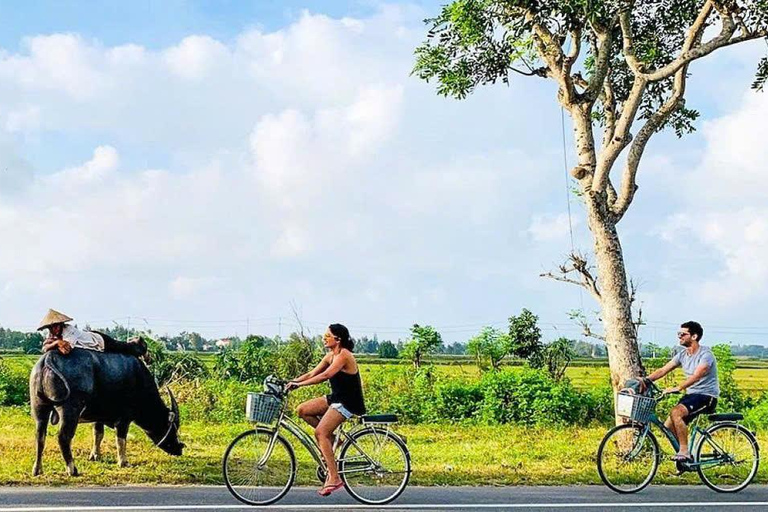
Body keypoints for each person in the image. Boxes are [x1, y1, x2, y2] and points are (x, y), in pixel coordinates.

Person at [287, 323, 366, 497]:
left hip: (348, 402)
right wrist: (292, 382)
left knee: (320, 433)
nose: (324, 338)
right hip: (336, 398)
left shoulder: (344, 355)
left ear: (337, 339)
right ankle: (333, 442)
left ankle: (335, 477)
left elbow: (325, 376)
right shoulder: (331, 355)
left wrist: (299, 385)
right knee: (302, 410)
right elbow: (311, 374)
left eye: (327, 336)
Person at [637, 320, 719, 462]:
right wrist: (646, 380)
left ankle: (684, 451)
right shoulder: (682, 355)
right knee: (668, 426)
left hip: (706, 396)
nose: (679, 336)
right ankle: (686, 459)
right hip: (692, 396)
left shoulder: (706, 354)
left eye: (683, 334)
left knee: (676, 413)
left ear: (694, 336)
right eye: (678, 334)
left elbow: (698, 375)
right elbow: (663, 370)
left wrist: (679, 387)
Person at [37, 309, 148, 359]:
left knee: (121, 347)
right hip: (88, 338)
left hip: (98, 341)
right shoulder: (53, 335)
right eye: (50, 328)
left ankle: (140, 346)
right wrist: (56, 342)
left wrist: (54, 344)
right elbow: (45, 348)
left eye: (55, 326)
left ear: (61, 324)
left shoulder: (69, 331)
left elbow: (66, 349)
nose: (53, 330)